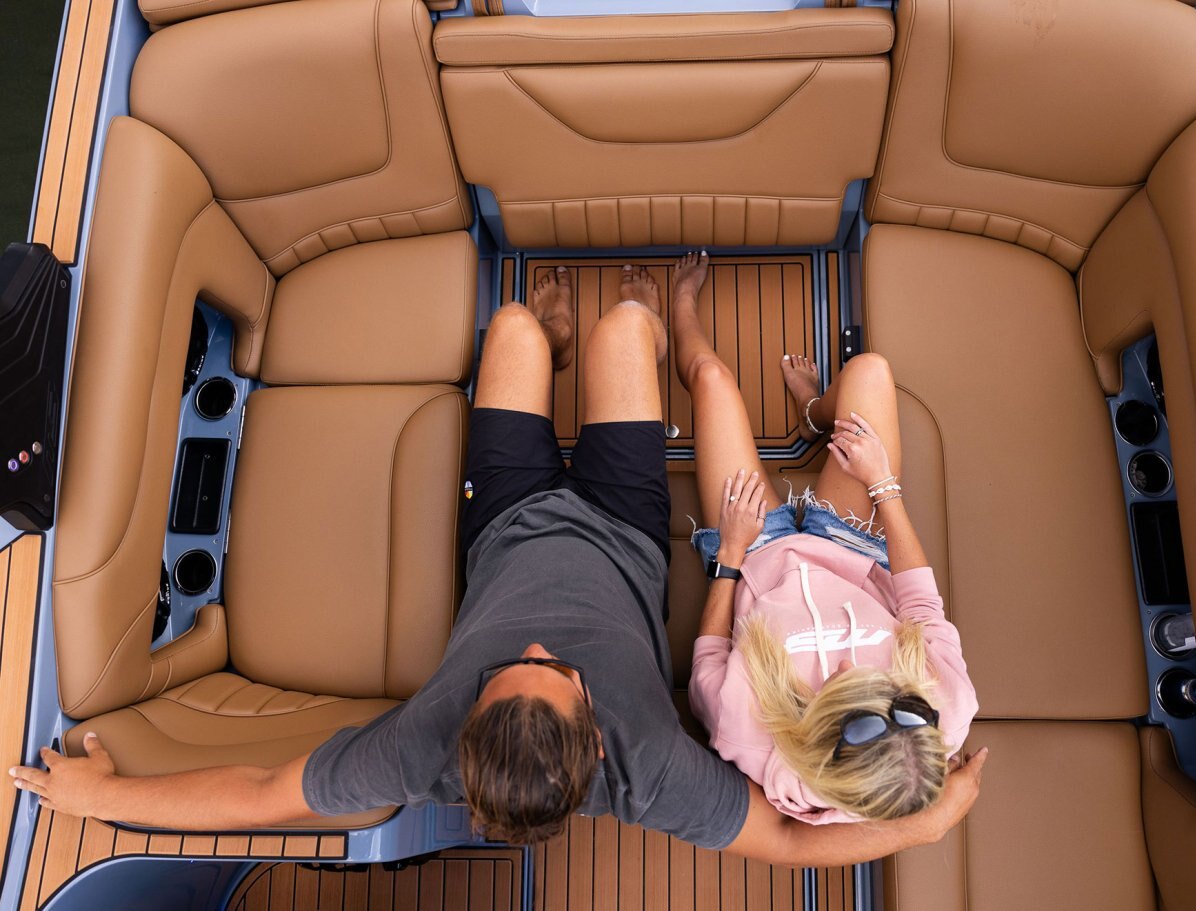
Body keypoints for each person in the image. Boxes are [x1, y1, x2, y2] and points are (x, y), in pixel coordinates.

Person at [10, 260, 986, 863]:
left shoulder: (422, 744)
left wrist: (104, 799)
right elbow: (787, 842)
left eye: (504, 668)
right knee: (625, 332)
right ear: (598, 740)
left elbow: (260, 794)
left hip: (508, 519)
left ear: (462, 730)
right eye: (554, 670)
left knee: (515, 328)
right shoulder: (653, 771)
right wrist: (920, 822)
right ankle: (634, 328)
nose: (534, 643)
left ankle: (549, 344)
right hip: (624, 522)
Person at [669, 250, 979, 824]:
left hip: (754, 552)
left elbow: (709, 658)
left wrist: (730, 556)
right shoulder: (947, 706)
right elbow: (920, 604)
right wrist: (882, 484)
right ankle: (814, 413)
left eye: (843, 691)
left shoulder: (748, 733)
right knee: (870, 372)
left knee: (712, 380)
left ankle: (679, 303)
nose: (843, 669)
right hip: (852, 547)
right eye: (897, 697)